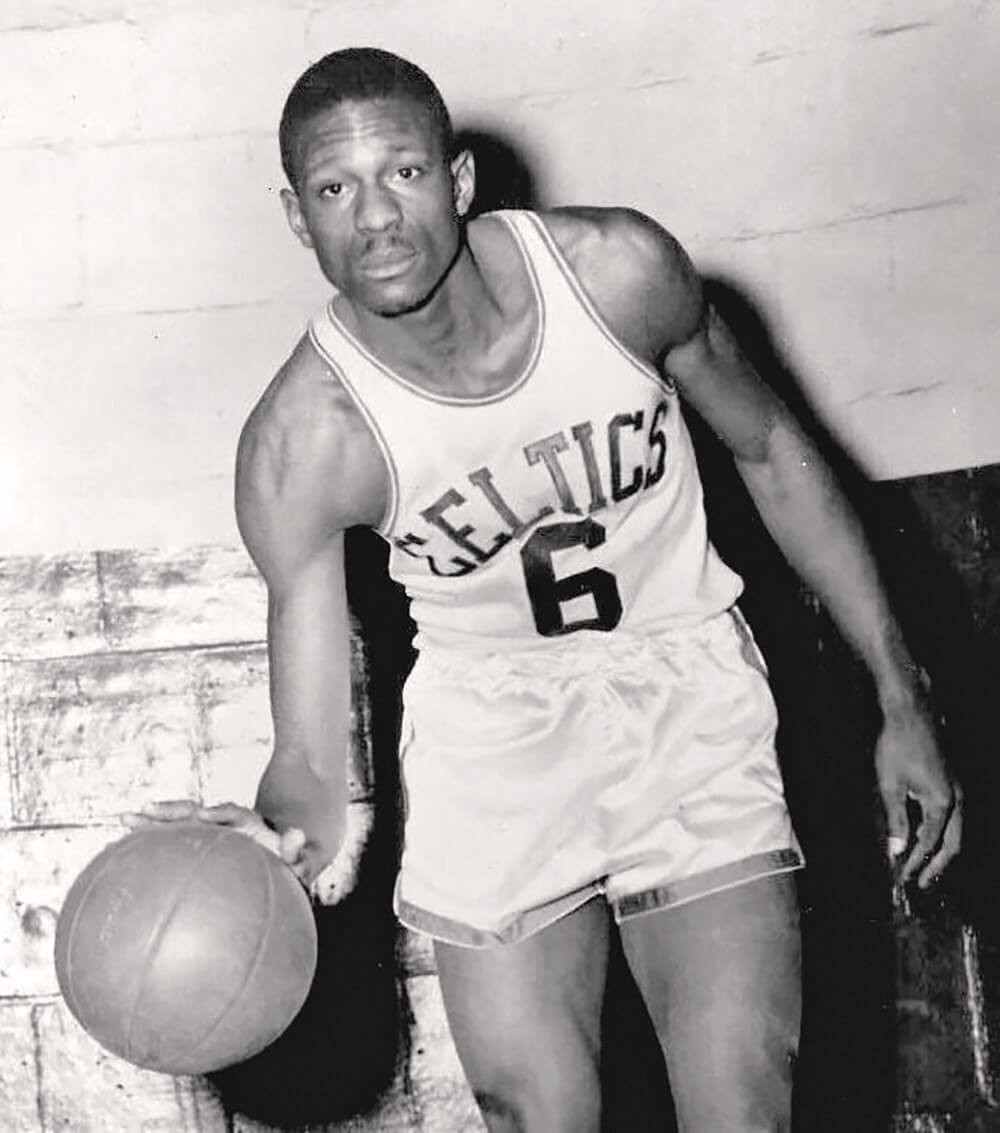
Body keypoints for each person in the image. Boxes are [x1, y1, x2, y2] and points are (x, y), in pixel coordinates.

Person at [133, 47, 962, 1132]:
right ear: (299, 220)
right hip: (490, 736)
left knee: (741, 1090)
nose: (376, 217)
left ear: (462, 179)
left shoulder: (616, 275)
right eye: (336, 190)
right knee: (534, 1109)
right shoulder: (304, 442)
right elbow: (310, 755)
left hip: (682, 688)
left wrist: (902, 696)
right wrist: (271, 837)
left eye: (404, 175)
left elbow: (771, 452)